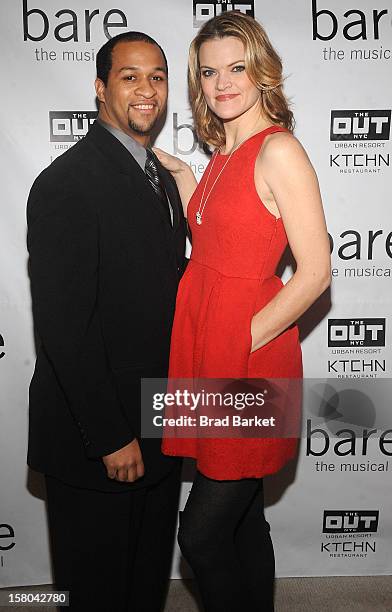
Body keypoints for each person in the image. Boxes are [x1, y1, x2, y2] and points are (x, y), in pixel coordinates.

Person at [154, 12, 331, 612]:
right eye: (209, 72)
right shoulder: (225, 149)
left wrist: (240, 337)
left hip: (249, 354)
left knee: (201, 534)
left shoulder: (278, 149)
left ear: (262, 72)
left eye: (236, 68)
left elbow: (315, 273)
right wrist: (183, 178)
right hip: (208, 341)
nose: (222, 83)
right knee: (244, 515)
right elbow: (220, 237)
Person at [26, 31, 186, 611]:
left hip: (159, 421)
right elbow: (67, 328)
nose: (147, 90)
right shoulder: (66, 184)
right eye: (130, 76)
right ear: (100, 87)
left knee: (144, 588)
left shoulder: (163, 178)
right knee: (94, 593)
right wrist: (111, 435)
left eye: (157, 77)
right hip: (97, 436)